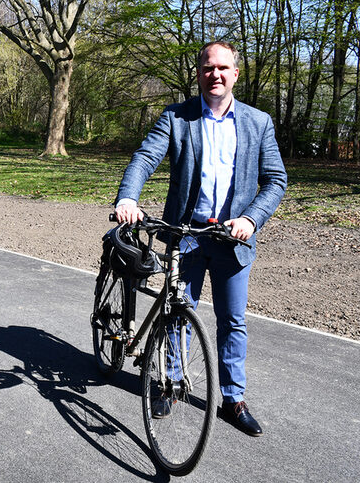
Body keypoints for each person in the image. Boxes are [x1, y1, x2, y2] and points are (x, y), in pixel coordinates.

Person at [114, 41, 287, 437]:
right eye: (209, 68)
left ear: (235, 74)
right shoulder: (177, 117)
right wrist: (128, 196)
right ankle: (171, 385)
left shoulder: (257, 123)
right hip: (186, 233)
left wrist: (251, 218)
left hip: (232, 237)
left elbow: (276, 181)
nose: (216, 74)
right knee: (178, 312)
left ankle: (233, 399)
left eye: (224, 68)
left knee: (233, 320)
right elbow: (145, 157)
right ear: (199, 73)